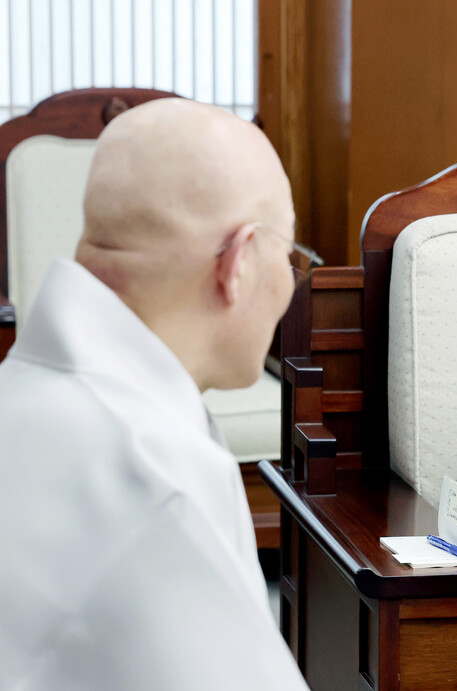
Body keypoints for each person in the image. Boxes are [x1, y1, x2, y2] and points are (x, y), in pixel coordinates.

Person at [0, 99, 310, 689]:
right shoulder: (156, 477)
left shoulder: (19, 392)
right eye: (289, 256)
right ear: (240, 261)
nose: (290, 284)